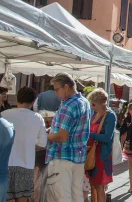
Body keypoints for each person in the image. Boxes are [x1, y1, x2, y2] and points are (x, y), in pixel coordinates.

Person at [45, 73, 92, 202]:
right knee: (77, 195)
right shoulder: (84, 102)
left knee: (62, 196)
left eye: (56, 90)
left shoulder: (68, 105)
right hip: (78, 157)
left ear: (66, 87)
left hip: (63, 157)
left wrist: (45, 135)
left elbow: (62, 136)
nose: (56, 93)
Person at [1, 87, 47, 202]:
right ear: (33, 102)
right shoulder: (38, 118)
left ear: (17, 99)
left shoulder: (3, 114)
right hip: (26, 163)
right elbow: (42, 143)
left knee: (8, 197)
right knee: (23, 197)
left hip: (5, 163)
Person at [86, 88, 116, 202]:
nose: (92, 106)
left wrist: (91, 135)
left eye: (93, 104)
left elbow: (107, 137)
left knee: (100, 186)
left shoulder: (110, 116)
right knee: (92, 185)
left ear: (101, 103)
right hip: (92, 153)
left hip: (102, 155)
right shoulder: (94, 114)